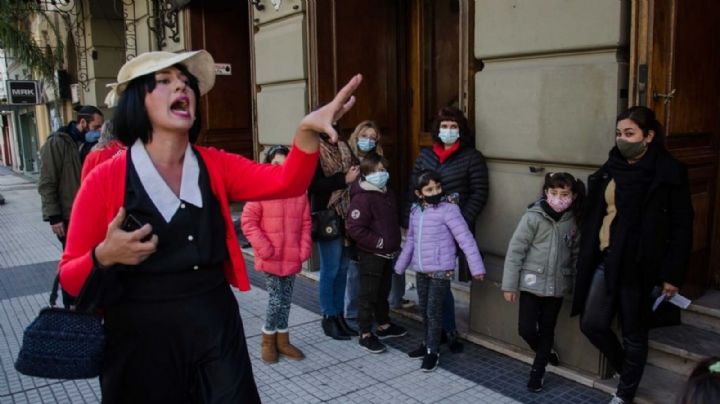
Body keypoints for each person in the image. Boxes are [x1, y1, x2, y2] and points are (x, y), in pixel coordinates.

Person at [58, 49, 362, 403]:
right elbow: (69, 277)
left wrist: (306, 131)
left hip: (214, 328)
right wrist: (103, 256)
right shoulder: (105, 178)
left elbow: (287, 183)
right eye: (165, 81)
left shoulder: (213, 164)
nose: (182, 88)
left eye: (186, 82)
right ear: (136, 101)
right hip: (138, 339)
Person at [571, 106, 693, 404]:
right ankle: (629, 370)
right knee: (592, 324)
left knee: (634, 332)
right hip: (606, 258)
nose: (622, 139)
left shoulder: (669, 172)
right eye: (618, 133)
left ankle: (625, 393)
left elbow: (682, 227)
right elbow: (597, 212)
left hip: (641, 265)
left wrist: (671, 275)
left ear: (648, 136)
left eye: (629, 133)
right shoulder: (611, 167)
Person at [403, 106, 489, 353]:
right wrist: (414, 222)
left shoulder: (472, 157)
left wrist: (458, 221)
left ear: (461, 130)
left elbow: (479, 193)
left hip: (450, 231)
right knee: (432, 284)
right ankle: (439, 331)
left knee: (441, 282)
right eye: (444, 126)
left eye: (453, 126)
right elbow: (414, 189)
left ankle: (446, 331)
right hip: (427, 233)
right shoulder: (425, 156)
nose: (448, 131)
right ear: (437, 130)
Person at [502, 172, 585, 392]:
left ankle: (537, 373)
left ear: (573, 196)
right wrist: (509, 285)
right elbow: (515, 251)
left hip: (556, 288)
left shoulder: (574, 222)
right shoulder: (533, 216)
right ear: (546, 192)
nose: (559, 198)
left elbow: (576, 256)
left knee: (548, 330)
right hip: (531, 285)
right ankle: (545, 352)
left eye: (564, 194)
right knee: (526, 329)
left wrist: (576, 287)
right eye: (554, 192)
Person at [395, 170, 485, 372]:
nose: (435, 191)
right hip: (421, 269)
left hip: (441, 269)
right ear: (419, 193)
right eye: (429, 189)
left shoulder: (449, 210)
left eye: (437, 187)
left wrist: (476, 266)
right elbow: (410, 240)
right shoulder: (415, 211)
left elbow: (465, 238)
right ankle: (426, 343)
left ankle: (433, 352)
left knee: (434, 312)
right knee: (425, 310)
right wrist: (401, 265)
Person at [241, 144, 312, 364]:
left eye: (284, 164)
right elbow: (248, 222)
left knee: (287, 300)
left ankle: (283, 340)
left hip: (291, 256)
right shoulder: (260, 190)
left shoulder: (298, 192)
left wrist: (303, 249)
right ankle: (267, 340)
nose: (280, 168)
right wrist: (264, 249)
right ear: (267, 164)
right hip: (270, 256)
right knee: (275, 300)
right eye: (275, 163)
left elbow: (306, 222)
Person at [346, 152, 407, 354]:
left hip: (388, 253)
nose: (382, 174)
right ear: (367, 173)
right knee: (368, 295)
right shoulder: (362, 197)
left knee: (383, 291)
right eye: (378, 171)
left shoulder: (386, 191)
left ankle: (383, 324)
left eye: (384, 170)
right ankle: (365, 333)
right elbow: (355, 228)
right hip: (372, 254)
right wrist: (379, 242)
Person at [308, 125, 360, 340]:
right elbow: (312, 184)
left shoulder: (343, 144)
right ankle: (328, 316)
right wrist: (343, 180)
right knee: (330, 269)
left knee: (343, 268)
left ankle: (339, 315)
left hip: (348, 213)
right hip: (327, 215)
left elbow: (355, 169)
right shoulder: (312, 149)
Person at [38, 105, 104, 248]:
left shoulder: (91, 144)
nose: (99, 131)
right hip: (69, 215)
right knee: (74, 257)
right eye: (96, 127)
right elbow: (47, 182)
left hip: (88, 212)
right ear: (83, 123)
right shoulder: (57, 143)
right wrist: (54, 216)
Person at [344, 120, 384, 323]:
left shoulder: (378, 160)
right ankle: (351, 311)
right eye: (364, 136)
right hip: (351, 220)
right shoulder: (347, 158)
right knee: (353, 267)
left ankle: (374, 309)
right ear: (356, 135)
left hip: (373, 222)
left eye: (372, 137)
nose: (367, 140)